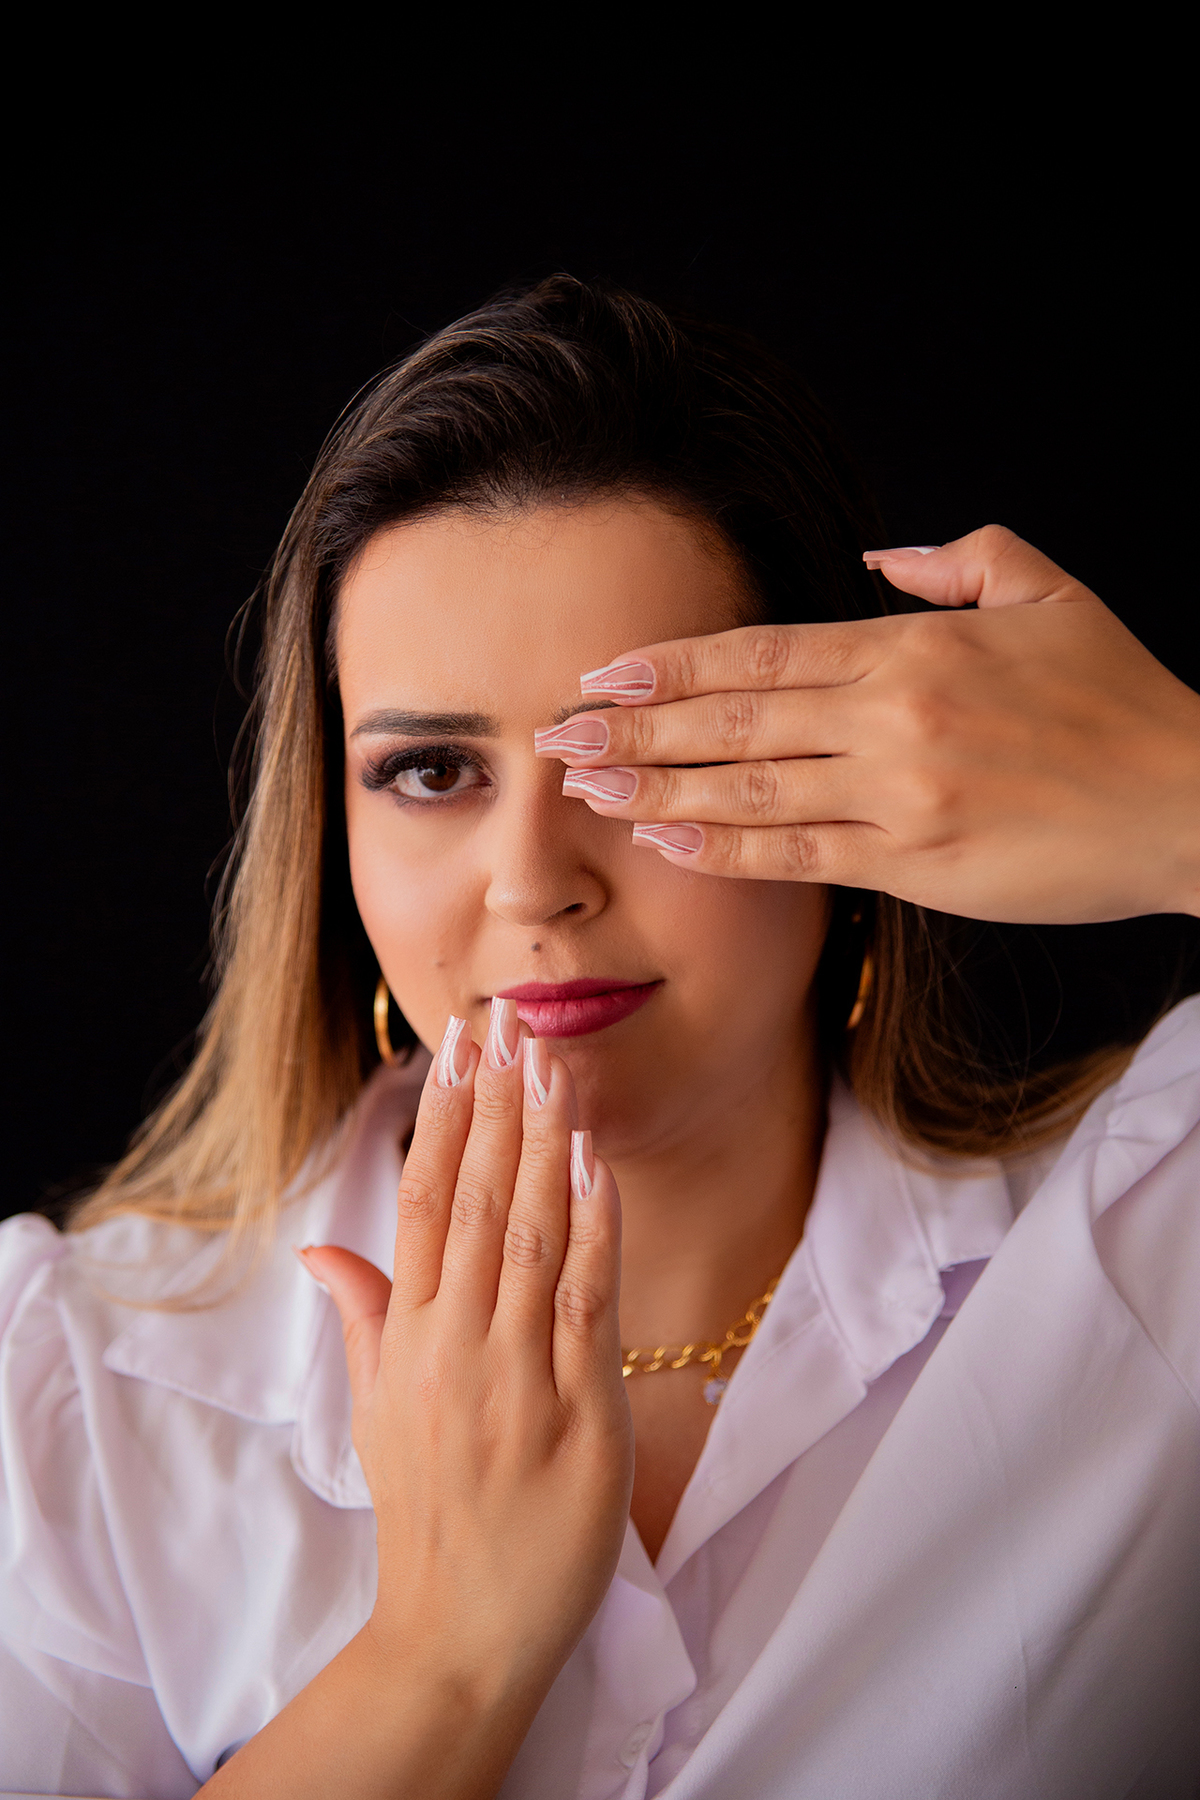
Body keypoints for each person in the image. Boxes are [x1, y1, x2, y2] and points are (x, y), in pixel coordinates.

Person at [1, 276, 1198, 1800]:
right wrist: (443, 1652)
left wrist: (1182, 794)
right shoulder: (83, 1391)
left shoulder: (1145, 1253)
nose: (532, 881)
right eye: (431, 771)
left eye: (649, 758)